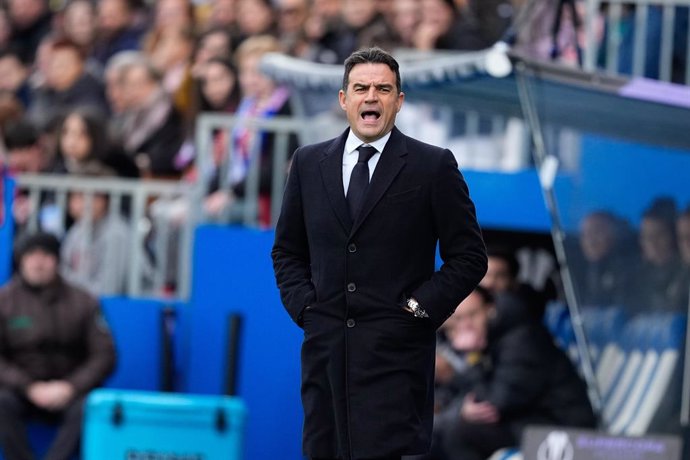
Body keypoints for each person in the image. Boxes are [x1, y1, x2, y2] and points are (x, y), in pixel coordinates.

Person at [271, 47, 487, 460]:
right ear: (344, 99)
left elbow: (470, 257)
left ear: (399, 101)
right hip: (326, 355)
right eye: (361, 88)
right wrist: (306, 308)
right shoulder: (308, 162)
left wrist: (419, 309)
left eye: (383, 88)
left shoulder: (433, 165)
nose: (371, 96)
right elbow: (287, 251)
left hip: (395, 359)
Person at [430, 286, 596, 460]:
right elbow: (463, 391)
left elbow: (492, 405)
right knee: (434, 435)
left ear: (490, 309)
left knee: (458, 434)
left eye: (472, 315)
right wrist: (458, 409)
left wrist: (473, 356)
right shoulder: (493, 338)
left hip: (567, 430)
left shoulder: (521, 338)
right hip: (530, 420)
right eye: (458, 320)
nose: (466, 326)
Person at [0, 232, 116, 460]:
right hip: (21, 391)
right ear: (21, 260)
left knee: (89, 406)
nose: (38, 262)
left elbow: (105, 354)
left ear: (57, 260)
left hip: (70, 392)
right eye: (31, 255)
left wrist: (70, 386)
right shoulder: (4, 302)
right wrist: (28, 387)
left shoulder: (83, 301)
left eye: (46, 254)